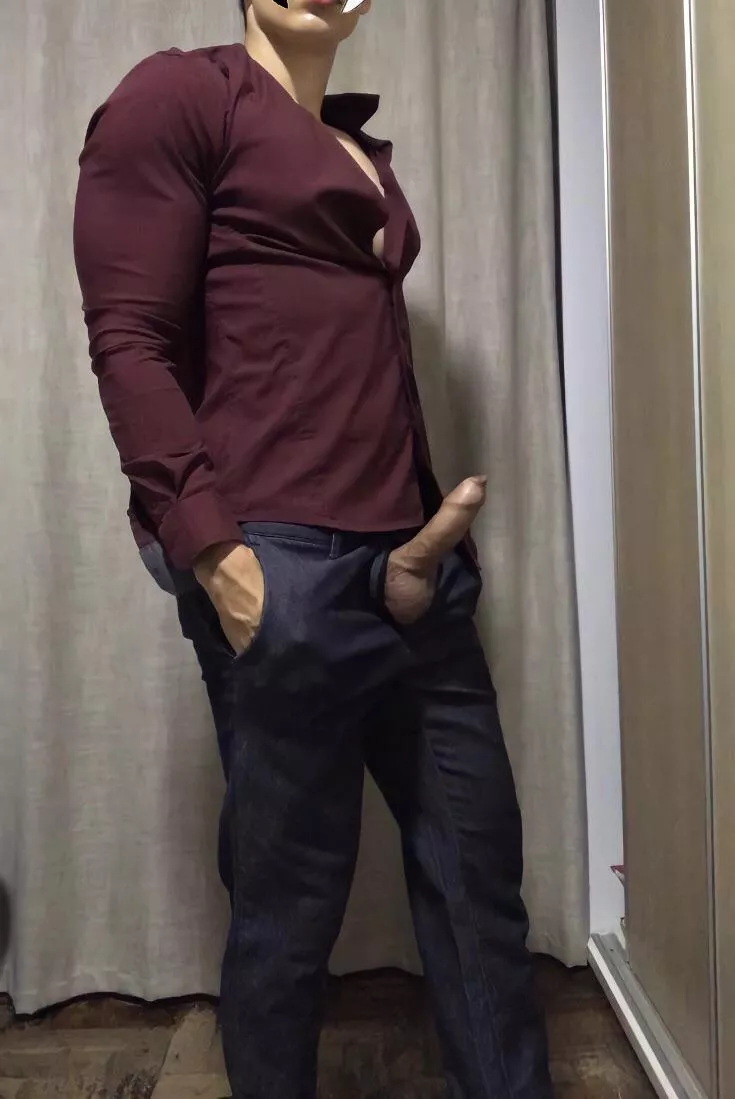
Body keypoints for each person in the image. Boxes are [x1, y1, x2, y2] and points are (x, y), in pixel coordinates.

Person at [73, 1, 554, 1096]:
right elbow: (129, 339)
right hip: (282, 558)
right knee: (289, 914)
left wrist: (426, 544)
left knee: (479, 882)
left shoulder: (354, 144)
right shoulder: (182, 94)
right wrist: (219, 557)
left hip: (413, 562)